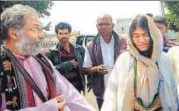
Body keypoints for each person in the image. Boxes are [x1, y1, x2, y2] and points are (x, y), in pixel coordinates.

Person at [0, 4, 96, 111]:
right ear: (14, 34)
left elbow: (68, 93)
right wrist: (47, 108)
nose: (41, 36)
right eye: (35, 29)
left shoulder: (41, 59)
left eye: (41, 30)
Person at [101, 15, 178, 111]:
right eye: (136, 36)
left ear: (152, 34)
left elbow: (172, 89)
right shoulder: (124, 60)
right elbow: (112, 90)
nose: (141, 40)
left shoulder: (163, 59)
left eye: (145, 35)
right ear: (131, 37)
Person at [83, 13, 127, 110]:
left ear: (112, 26)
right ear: (96, 26)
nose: (104, 27)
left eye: (107, 24)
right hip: (102, 93)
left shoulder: (124, 41)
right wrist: (96, 69)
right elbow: (86, 69)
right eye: (100, 24)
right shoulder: (91, 45)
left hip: (123, 90)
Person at [46, 22, 85, 93]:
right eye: (60, 33)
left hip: (76, 89)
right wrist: (67, 64)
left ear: (70, 34)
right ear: (57, 35)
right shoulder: (51, 52)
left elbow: (84, 68)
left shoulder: (80, 49)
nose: (64, 36)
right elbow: (50, 71)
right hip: (60, 90)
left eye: (66, 33)